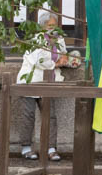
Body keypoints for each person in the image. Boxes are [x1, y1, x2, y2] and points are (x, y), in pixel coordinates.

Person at [16, 11, 70, 162]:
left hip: (48, 81)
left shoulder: (59, 39)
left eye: (54, 25)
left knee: (50, 116)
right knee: (29, 115)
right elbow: (39, 61)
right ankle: (26, 148)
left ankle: (51, 148)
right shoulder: (37, 40)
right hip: (30, 81)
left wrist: (65, 58)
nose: (52, 28)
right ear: (43, 26)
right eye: (49, 25)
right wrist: (57, 63)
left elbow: (64, 54)